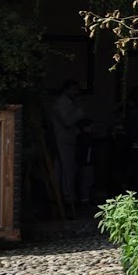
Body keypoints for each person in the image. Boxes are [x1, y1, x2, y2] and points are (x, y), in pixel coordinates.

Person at [48, 80, 87, 211]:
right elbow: (66, 121)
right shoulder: (61, 103)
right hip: (63, 141)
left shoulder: (66, 103)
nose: (76, 93)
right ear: (67, 90)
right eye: (74, 90)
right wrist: (79, 113)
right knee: (66, 170)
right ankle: (67, 198)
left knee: (62, 170)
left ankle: (62, 197)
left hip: (64, 140)